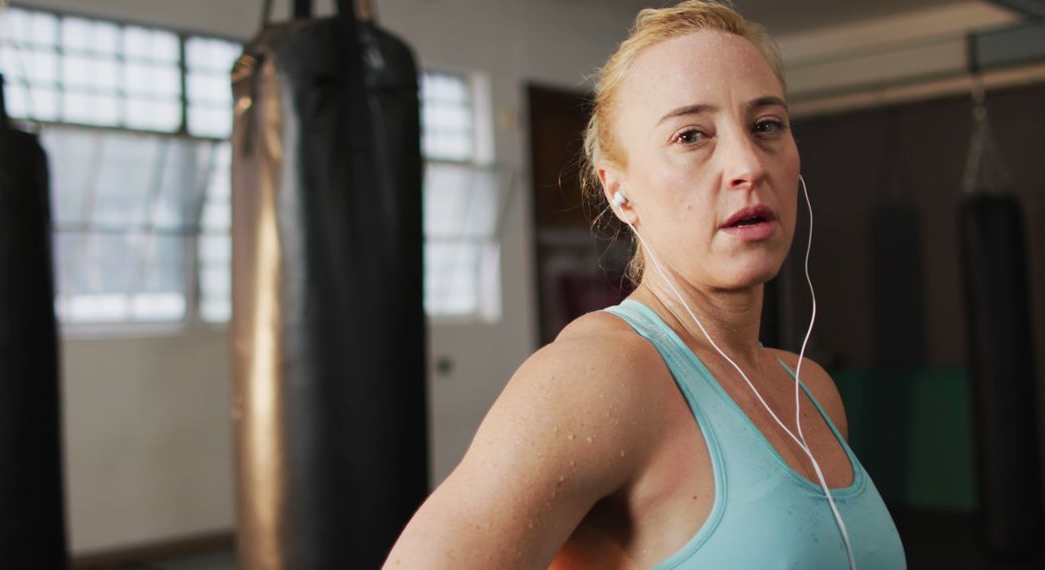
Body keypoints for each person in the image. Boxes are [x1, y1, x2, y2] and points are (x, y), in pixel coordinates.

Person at [386, 1, 906, 568]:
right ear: (619, 192)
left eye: (766, 126)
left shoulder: (811, 390)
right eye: (690, 136)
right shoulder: (599, 377)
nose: (748, 165)